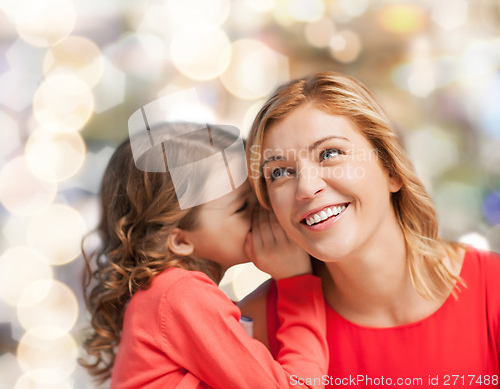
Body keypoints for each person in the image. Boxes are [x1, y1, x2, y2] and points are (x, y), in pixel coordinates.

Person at [242, 72, 500, 386]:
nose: (306, 188)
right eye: (279, 172)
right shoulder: (254, 326)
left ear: (391, 169)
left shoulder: (492, 291)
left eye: (330, 154)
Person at [80, 122, 328, 389]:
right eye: (243, 206)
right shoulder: (180, 293)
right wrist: (297, 282)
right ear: (180, 239)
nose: (264, 209)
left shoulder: (163, 294)